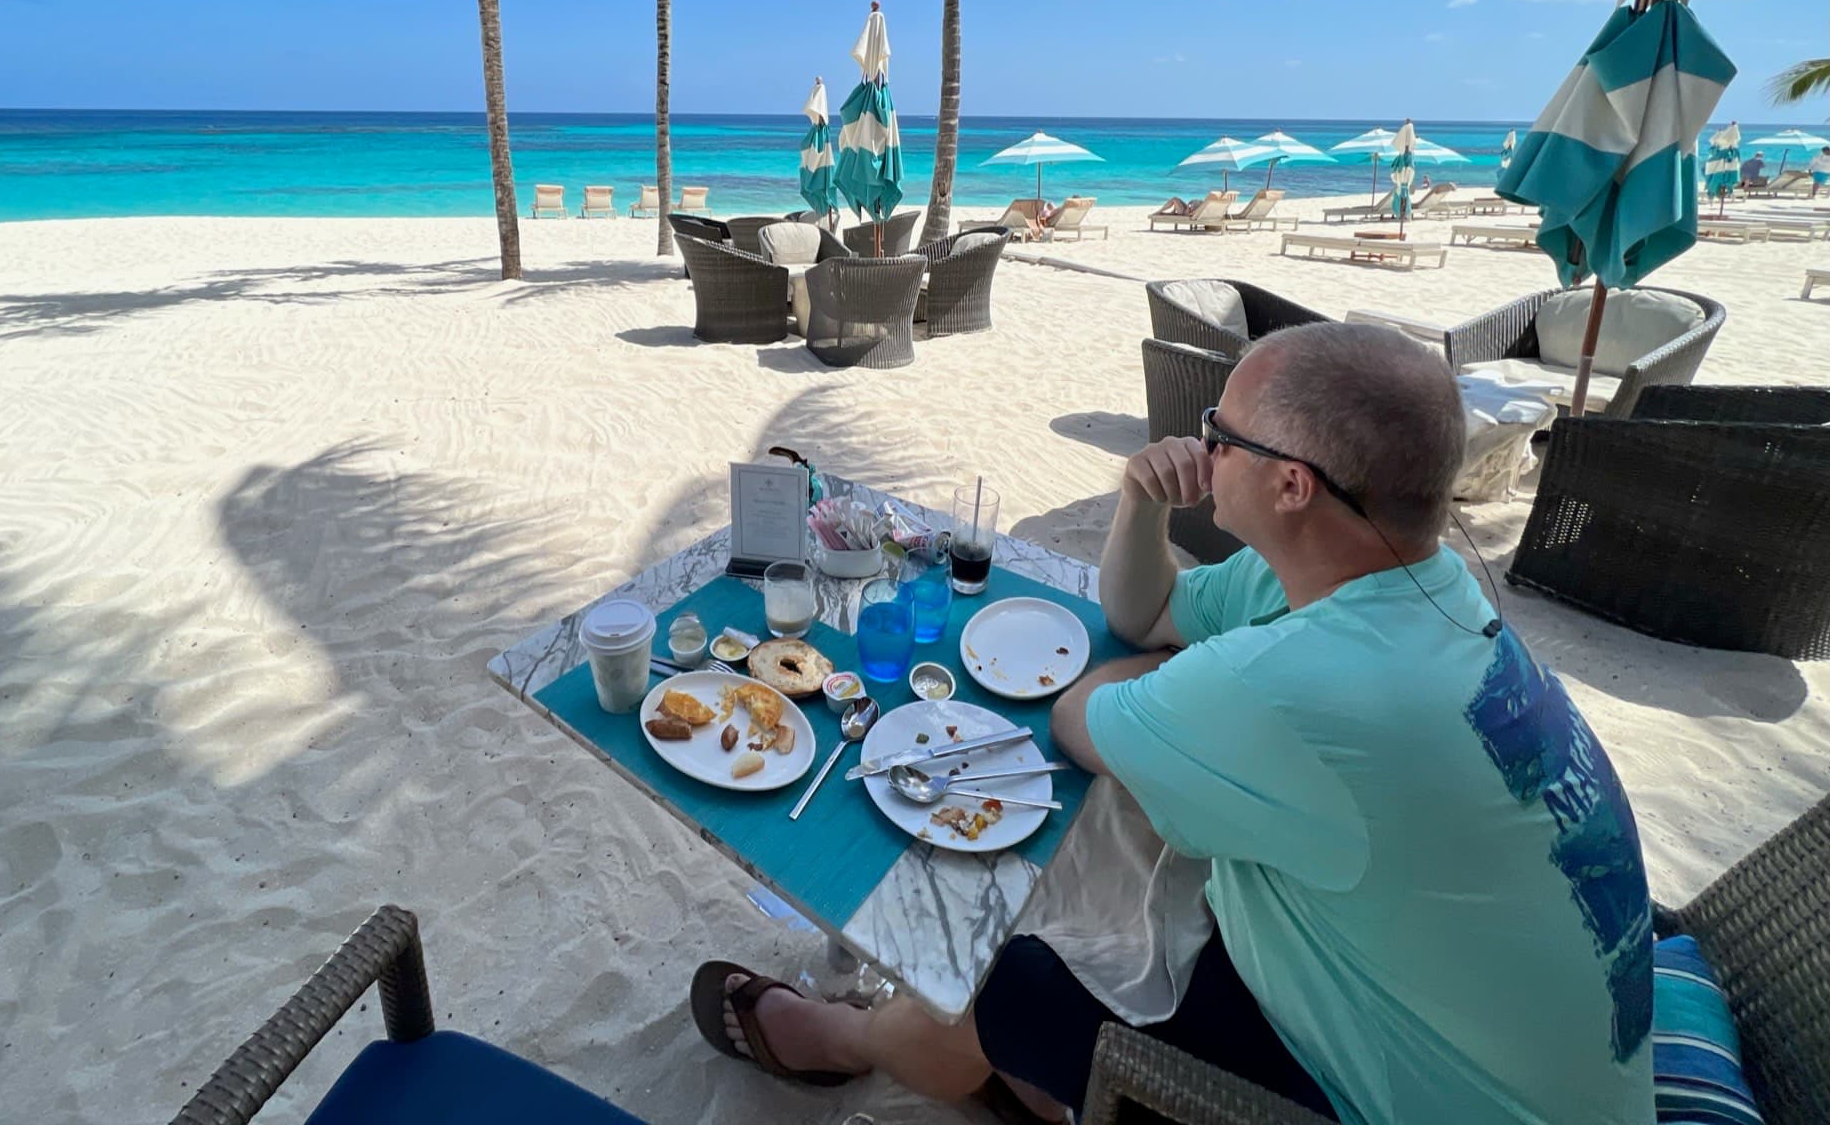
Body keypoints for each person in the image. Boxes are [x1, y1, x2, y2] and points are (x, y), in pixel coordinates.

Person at [687, 323, 1654, 1125]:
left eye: (1218, 430)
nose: (1198, 447)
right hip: (1454, 1011)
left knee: (1010, 975)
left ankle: (847, 1040)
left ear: (1291, 486)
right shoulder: (1393, 580)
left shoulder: (1306, 676)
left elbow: (1077, 716)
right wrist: (1139, 507)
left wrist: (1182, 681)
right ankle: (1020, 1075)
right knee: (1116, 863)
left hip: (1404, 1097)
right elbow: (1143, 619)